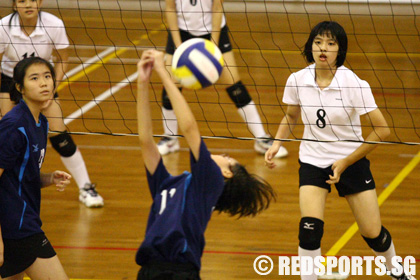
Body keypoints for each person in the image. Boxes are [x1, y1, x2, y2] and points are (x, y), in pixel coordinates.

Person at [265, 21, 415, 280]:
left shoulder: (354, 84)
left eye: (331, 43)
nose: (323, 48)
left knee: (373, 234)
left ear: (340, 50)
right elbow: (290, 117)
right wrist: (276, 143)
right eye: (318, 42)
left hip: (351, 160)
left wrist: (345, 161)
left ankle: (398, 273)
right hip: (313, 159)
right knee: (309, 229)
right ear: (310, 46)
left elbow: (382, 130)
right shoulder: (297, 80)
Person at [136, 49, 276, 280]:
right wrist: (142, 83)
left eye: (228, 158)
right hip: (149, 270)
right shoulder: (169, 184)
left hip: (179, 272)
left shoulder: (209, 184)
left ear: (225, 174)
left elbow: (189, 128)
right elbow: (145, 141)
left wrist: (164, 73)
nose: (222, 154)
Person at [0, 0, 103, 207]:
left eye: (32, 0)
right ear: (14, 5)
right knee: (7, 133)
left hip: (43, 82)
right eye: (22, 0)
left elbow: (63, 59)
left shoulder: (53, 24)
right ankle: (9, 189)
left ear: (40, 2)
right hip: (10, 81)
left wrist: (51, 88)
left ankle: (86, 187)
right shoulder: (3, 27)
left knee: (59, 134)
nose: (28, 4)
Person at [157, 0, 288, 158]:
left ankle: (261, 138)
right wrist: (180, 48)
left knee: (233, 84)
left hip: (213, 30)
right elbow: (170, 8)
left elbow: (217, 8)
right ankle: (170, 137)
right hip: (181, 33)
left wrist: (212, 46)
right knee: (171, 85)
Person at [0, 57, 71, 279]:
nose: (44, 83)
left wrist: (48, 178)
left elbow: (18, 175)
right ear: (20, 87)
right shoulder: (14, 126)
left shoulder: (41, 122)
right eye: (34, 78)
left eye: (47, 76)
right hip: (17, 225)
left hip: (20, 220)